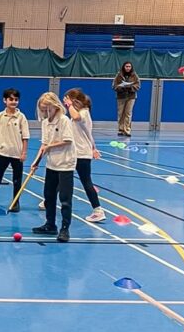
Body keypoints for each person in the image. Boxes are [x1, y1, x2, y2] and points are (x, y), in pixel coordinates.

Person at [30, 92, 76, 243]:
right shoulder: (45, 123)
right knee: (48, 196)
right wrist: (36, 161)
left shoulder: (64, 120)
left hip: (65, 164)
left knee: (65, 199)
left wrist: (50, 146)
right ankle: (50, 225)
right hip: (52, 164)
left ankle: (65, 229)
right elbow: (44, 144)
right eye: (42, 109)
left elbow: (67, 141)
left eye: (47, 108)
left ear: (55, 106)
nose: (45, 112)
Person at [64, 88, 105, 223]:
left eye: (68, 101)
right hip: (76, 152)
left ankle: (98, 210)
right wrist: (94, 148)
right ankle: (48, 201)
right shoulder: (80, 114)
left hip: (80, 154)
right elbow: (87, 134)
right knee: (62, 176)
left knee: (86, 182)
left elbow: (76, 117)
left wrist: (70, 105)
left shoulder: (83, 113)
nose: (66, 104)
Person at [112, 61, 140, 136]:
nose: (128, 68)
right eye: (126, 66)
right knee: (121, 113)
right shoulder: (119, 75)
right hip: (121, 96)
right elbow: (114, 86)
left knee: (128, 113)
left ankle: (127, 130)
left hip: (131, 97)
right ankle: (121, 129)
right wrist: (121, 88)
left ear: (131, 67)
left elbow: (138, 86)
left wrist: (131, 87)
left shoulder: (135, 75)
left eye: (129, 66)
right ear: (124, 67)